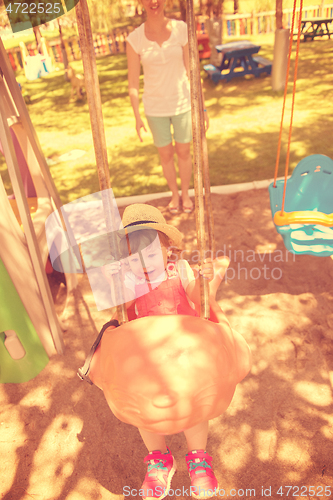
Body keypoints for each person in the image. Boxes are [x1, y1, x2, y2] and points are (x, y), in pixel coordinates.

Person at [102, 204, 230, 500]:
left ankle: (198, 457)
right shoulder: (129, 281)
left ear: (167, 248)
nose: (142, 261)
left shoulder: (181, 270)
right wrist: (113, 282)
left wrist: (204, 281)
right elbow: (118, 311)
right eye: (132, 255)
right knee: (144, 413)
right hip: (145, 360)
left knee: (195, 406)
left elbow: (199, 299)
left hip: (184, 356)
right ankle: (159, 459)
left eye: (149, 252)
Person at [126, 0, 209, 215]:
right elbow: (133, 82)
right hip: (155, 108)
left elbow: (193, 71)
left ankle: (186, 193)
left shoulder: (181, 30)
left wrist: (203, 108)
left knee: (183, 152)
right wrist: (137, 116)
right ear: (141, 3)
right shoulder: (134, 39)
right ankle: (174, 194)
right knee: (165, 156)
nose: (154, 2)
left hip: (182, 103)